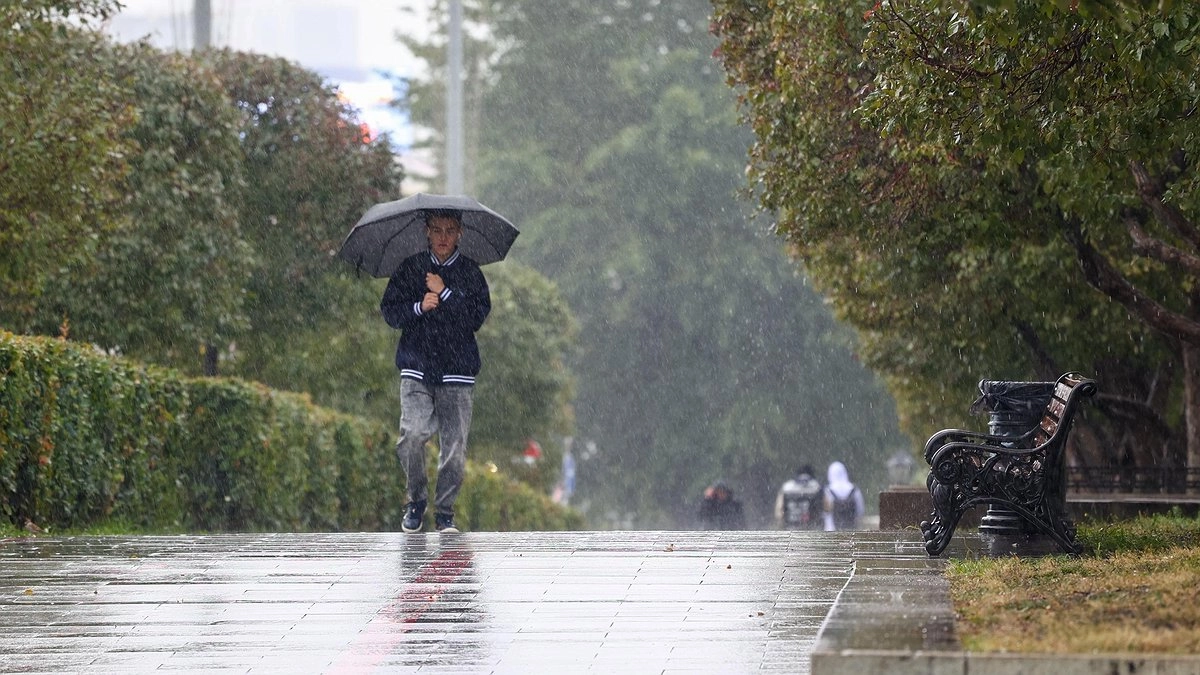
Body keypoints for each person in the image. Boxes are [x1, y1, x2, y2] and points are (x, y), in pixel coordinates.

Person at [380, 209, 491, 534]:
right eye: (437, 230)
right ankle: (416, 500)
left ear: (460, 234)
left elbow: (475, 318)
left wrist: (444, 293)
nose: (443, 237)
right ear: (427, 231)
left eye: (450, 230)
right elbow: (390, 311)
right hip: (416, 366)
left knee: (454, 448)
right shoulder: (410, 267)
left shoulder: (471, 273)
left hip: (457, 370)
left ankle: (444, 512)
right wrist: (419, 306)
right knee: (412, 436)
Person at [774, 464, 823, 530]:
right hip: (811, 528)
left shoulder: (787, 487)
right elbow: (827, 507)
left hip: (791, 527)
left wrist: (780, 525)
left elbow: (779, 509)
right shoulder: (817, 486)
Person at [823, 461, 865, 531]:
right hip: (851, 530)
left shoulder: (828, 491)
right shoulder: (854, 489)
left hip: (832, 530)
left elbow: (826, 512)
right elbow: (860, 510)